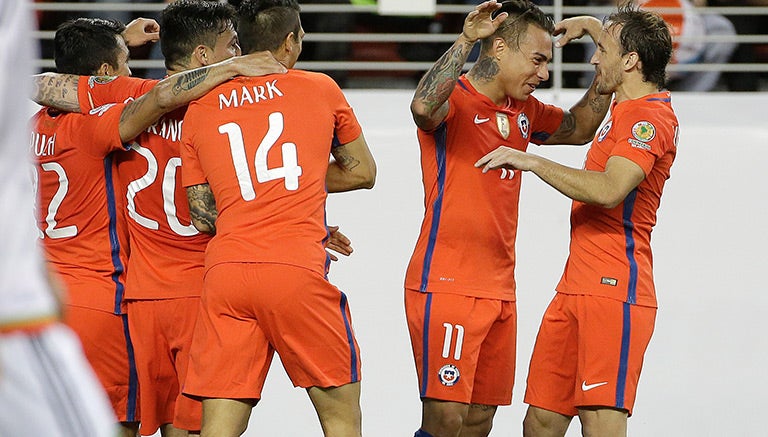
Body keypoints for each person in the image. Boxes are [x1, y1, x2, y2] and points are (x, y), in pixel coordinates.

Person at [33, 15, 285, 437]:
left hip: (85, 296)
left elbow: (38, 83)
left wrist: (116, 49)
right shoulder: (105, 125)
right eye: (125, 62)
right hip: (118, 297)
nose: (132, 70)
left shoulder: (35, 126)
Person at [405, 1, 612, 436]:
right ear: (498, 47)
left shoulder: (525, 112)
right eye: (537, 60)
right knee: (445, 420)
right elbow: (423, 107)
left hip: (501, 290)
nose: (542, 75)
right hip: (447, 283)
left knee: (480, 420)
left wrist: (599, 39)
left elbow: (580, 128)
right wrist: (464, 40)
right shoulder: (455, 100)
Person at [475, 5, 678, 436]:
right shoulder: (625, 107)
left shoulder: (648, 118)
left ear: (630, 61)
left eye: (601, 50)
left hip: (614, 290)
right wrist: (590, 26)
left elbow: (608, 190)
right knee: (541, 421)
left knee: (600, 423)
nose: (592, 59)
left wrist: (531, 160)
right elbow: (613, 49)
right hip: (574, 286)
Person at [179, 0, 377, 435]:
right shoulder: (319, 88)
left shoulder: (200, 106)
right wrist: (298, 185)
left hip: (226, 275)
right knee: (340, 415)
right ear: (290, 41)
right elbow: (363, 172)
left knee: (219, 426)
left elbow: (201, 216)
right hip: (294, 271)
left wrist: (256, 197)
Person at [0, 1, 116, 436]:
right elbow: (158, 96)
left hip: (50, 270)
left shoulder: (34, 126)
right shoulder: (94, 129)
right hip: (42, 306)